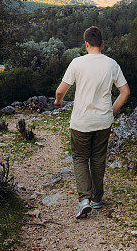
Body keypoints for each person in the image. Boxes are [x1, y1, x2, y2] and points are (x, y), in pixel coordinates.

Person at [55, 26, 130, 219]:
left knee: (80, 157)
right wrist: (111, 112)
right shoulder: (112, 64)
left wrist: (58, 102)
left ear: (86, 44)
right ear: (101, 43)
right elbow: (125, 92)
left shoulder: (77, 63)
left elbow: (61, 90)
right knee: (98, 157)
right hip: (103, 122)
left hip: (81, 122)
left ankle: (84, 200)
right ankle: (97, 199)